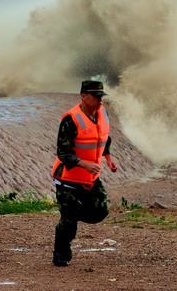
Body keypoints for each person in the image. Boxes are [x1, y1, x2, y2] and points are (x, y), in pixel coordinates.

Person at [51, 80, 118, 267]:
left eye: (101, 96)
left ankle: (70, 215)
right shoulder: (71, 119)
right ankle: (60, 255)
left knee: (100, 211)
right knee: (68, 222)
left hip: (91, 177)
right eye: (96, 96)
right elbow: (63, 153)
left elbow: (104, 137)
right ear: (83, 96)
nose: (100, 100)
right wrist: (84, 164)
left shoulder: (102, 114)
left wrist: (108, 157)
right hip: (68, 178)